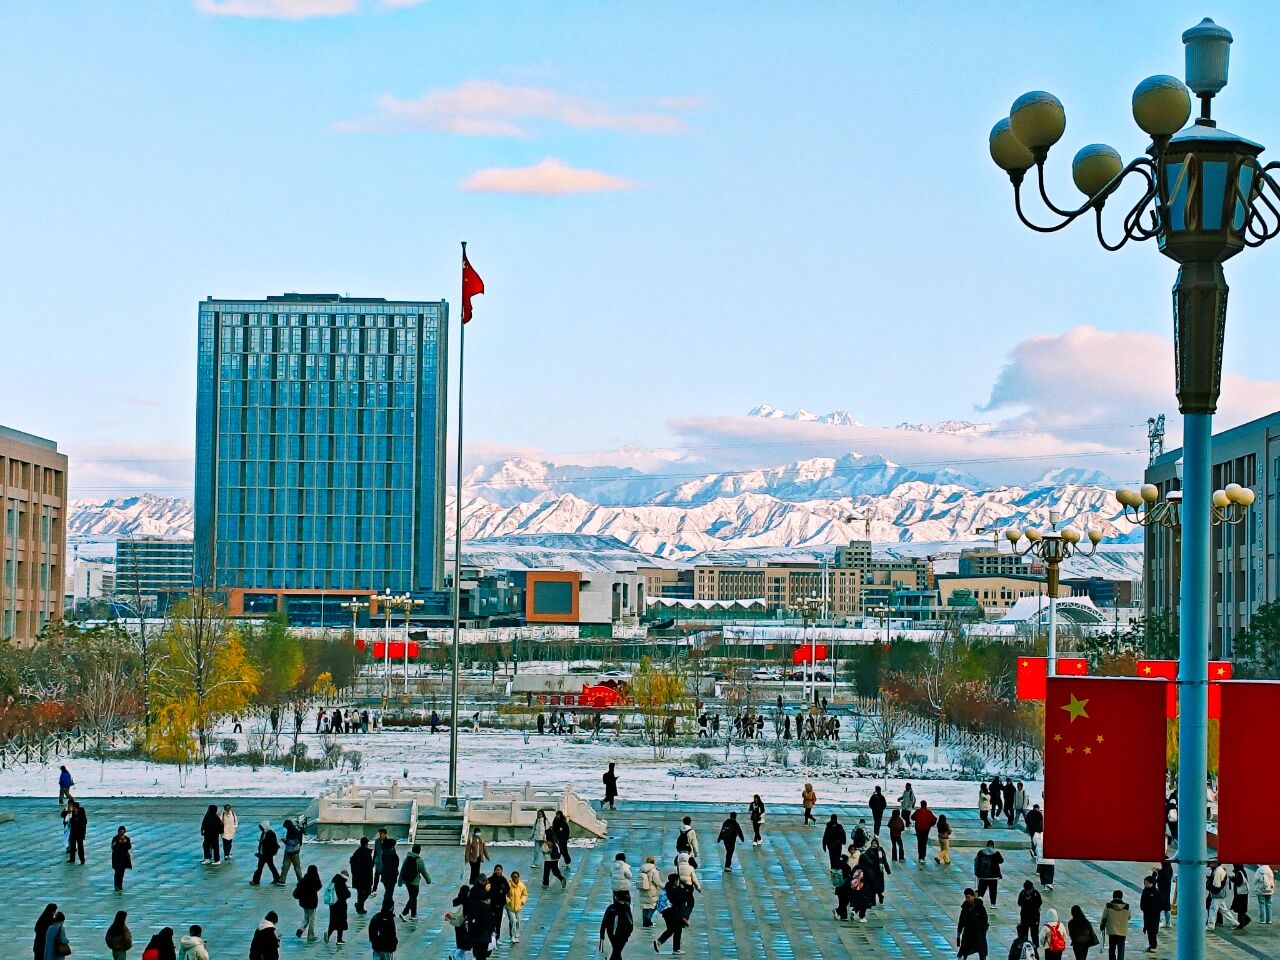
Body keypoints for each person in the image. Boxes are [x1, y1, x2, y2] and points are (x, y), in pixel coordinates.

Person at [654, 873, 689, 954]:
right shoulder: (674, 890)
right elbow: (681, 900)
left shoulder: (667, 888)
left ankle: (660, 941)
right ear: (675, 881)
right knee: (678, 929)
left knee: (671, 929)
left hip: (666, 912)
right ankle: (676, 949)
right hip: (672, 912)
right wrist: (683, 890)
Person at [398, 843, 431, 919]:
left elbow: (402, 870)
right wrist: (428, 880)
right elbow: (423, 872)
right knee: (413, 898)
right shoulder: (419, 860)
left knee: (412, 897)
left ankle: (413, 914)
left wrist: (400, 881)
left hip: (407, 882)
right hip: (414, 882)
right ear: (419, 851)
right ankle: (404, 912)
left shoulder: (407, 859)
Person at [599, 890, 634, 960]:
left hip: (612, 934)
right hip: (623, 935)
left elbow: (604, 922)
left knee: (616, 952)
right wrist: (628, 934)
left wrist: (602, 935)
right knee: (617, 952)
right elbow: (630, 923)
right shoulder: (626, 908)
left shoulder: (612, 908)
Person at [293, 863, 323, 942]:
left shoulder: (304, 879)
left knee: (306, 917)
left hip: (304, 903)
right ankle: (310, 936)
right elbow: (319, 886)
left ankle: (301, 929)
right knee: (312, 919)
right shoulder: (315, 879)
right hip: (312, 903)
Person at [958, 888, 990, 960]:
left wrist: (982, 929)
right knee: (964, 950)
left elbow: (985, 919)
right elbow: (961, 920)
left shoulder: (979, 906)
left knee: (981, 951)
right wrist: (958, 934)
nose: (967, 899)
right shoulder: (965, 907)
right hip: (968, 932)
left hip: (978, 933)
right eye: (966, 897)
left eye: (968, 897)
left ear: (973, 896)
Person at [1099, 890, 1131, 960]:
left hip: (1112, 930)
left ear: (1113, 896)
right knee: (1121, 949)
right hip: (1122, 931)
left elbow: (1104, 917)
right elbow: (1129, 917)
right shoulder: (1126, 906)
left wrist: (1102, 926)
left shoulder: (1109, 905)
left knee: (1112, 948)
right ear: (1122, 896)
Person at [324, 870, 351, 944]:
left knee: (333, 922)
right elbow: (347, 894)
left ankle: (328, 934)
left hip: (333, 905)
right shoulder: (342, 885)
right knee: (341, 923)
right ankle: (339, 940)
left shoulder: (334, 882)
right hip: (341, 906)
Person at [251, 821, 282, 886]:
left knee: (269, 867)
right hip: (263, 854)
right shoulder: (263, 833)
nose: (260, 829)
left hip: (268, 854)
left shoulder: (271, 834)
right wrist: (259, 852)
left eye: (261, 827)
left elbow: (272, 844)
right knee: (262, 867)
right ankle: (256, 881)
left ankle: (256, 881)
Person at [349, 837, 374, 915]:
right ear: (366, 844)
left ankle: (360, 907)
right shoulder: (367, 853)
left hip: (358, 877)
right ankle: (359, 905)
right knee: (367, 891)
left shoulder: (357, 852)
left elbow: (352, 862)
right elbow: (369, 867)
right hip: (365, 877)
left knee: (360, 893)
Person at [975, 840, 1004, 906]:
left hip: (982, 876)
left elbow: (977, 862)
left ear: (986, 845)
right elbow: (1001, 861)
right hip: (993, 876)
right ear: (993, 846)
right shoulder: (996, 853)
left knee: (981, 889)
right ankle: (993, 904)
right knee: (993, 890)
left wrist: (976, 873)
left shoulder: (980, 852)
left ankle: (979, 901)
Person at [447, 885, 470, 960]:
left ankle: (459, 956)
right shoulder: (467, 901)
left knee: (459, 939)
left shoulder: (456, 900)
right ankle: (455, 954)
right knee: (465, 942)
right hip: (464, 923)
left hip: (457, 923)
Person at [1139, 876, 1161, 953]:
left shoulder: (1156, 892)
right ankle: (1151, 944)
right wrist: (1143, 908)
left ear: (1151, 883)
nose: (1145, 884)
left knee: (1153, 930)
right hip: (1147, 914)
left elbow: (1160, 903)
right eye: (1144, 883)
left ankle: (1153, 945)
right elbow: (1142, 901)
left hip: (1154, 915)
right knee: (1148, 929)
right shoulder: (1145, 891)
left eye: (1146, 883)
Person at [505, 869, 527, 944]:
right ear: (511, 877)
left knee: (518, 921)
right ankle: (512, 936)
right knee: (513, 921)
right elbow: (504, 894)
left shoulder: (521, 885)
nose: (515, 878)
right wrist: (508, 901)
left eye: (516, 877)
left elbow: (524, 894)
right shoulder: (508, 885)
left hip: (518, 907)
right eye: (514, 877)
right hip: (510, 907)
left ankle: (516, 935)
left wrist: (522, 901)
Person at [639, 855, 661, 927]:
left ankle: (644, 922)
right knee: (655, 905)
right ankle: (648, 918)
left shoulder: (642, 869)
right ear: (653, 862)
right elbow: (657, 882)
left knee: (645, 906)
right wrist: (664, 887)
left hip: (643, 890)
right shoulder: (654, 870)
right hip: (651, 890)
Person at [379, 838, 400, 912]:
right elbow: (395, 866)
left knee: (388, 892)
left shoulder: (384, 854)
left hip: (385, 876)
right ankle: (386, 908)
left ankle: (389, 908)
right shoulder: (394, 855)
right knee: (389, 893)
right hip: (392, 876)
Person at [1230, 863, 1252, 930]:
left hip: (1240, 894)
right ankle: (1244, 920)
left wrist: (1232, 878)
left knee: (1240, 910)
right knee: (1240, 909)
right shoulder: (1242, 871)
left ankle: (1241, 923)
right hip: (1242, 894)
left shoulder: (1239, 873)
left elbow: (1239, 883)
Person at [111, 825, 133, 891]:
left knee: (122, 872)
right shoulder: (115, 838)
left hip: (124, 858)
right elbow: (113, 847)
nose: (122, 833)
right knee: (117, 872)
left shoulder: (126, 838)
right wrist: (118, 842)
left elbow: (129, 847)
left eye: (123, 831)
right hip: (117, 858)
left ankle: (120, 885)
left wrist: (125, 842)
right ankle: (116, 885)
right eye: (121, 831)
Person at [67, 800, 88, 864]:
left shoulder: (81, 810)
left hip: (80, 832)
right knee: (72, 845)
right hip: (73, 831)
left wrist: (76, 819)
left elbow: (84, 821)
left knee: (80, 846)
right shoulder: (71, 812)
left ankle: (82, 859)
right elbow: (64, 816)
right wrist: (68, 812)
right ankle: (72, 859)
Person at [1155, 859, 1173, 928]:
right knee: (1166, 908)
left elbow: (1158, 880)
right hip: (1167, 891)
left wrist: (1156, 873)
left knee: (1158, 906)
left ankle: (1158, 921)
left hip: (1162, 891)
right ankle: (1167, 922)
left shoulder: (1163, 872)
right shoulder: (1169, 869)